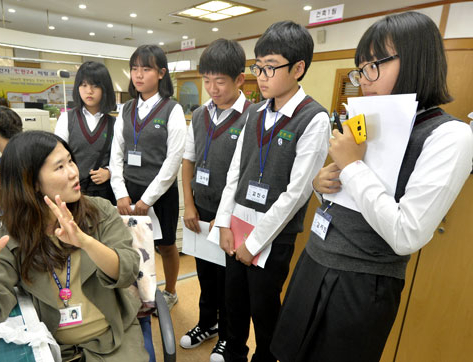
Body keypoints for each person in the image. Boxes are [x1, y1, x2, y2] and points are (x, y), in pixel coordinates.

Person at [270, 12, 473, 362]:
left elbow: (406, 234)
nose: (364, 79)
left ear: (417, 59)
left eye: (373, 66)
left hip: (362, 282)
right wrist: (323, 184)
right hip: (314, 260)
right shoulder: (369, 118)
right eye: (360, 68)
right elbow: (346, 192)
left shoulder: (450, 135)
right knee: (287, 353)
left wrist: (351, 166)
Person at [0, 130, 147, 362]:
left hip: (113, 340)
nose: (74, 173)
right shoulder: (11, 237)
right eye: (60, 167)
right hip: (53, 349)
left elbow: (127, 270)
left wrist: (86, 242)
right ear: (32, 183)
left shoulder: (99, 212)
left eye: (70, 161)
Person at [213, 21, 330, 362]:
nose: (261, 76)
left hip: (272, 235)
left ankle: (265, 357)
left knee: (263, 307)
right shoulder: (254, 112)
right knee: (233, 301)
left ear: (298, 68)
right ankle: (234, 350)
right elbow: (236, 170)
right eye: (258, 67)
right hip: (237, 223)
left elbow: (296, 193)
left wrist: (254, 243)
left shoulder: (314, 119)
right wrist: (223, 223)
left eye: (270, 67)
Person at [180, 38, 249, 362]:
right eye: (206, 80)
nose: (212, 88)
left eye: (219, 81)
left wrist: (224, 220)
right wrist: (189, 205)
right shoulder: (199, 114)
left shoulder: (252, 116)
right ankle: (206, 324)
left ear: (239, 79)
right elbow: (188, 161)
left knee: (229, 283)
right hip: (201, 208)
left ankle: (228, 336)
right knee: (205, 274)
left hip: (232, 217)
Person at [110, 44, 186, 311]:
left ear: (161, 73)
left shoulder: (172, 109)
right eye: (134, 68)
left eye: (146, 68)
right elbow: (116, 153)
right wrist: (120, 191)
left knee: (165, 246)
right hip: (128, 189)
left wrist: (148, 199)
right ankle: (136, 293)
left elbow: (173, 160)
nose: (138, 75)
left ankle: (171, 291)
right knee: (130, 242)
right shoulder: (127, 108)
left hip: (160, 192)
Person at [54, 61, 117, 205]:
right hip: (73, 191)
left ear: (105, 89)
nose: (89, 91)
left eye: (95, 86)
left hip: (104, 194)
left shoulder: (115, 123)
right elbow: (57, 155)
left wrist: (109, 172)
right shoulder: (67, 119)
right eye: (84, 85)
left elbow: (120, 157)